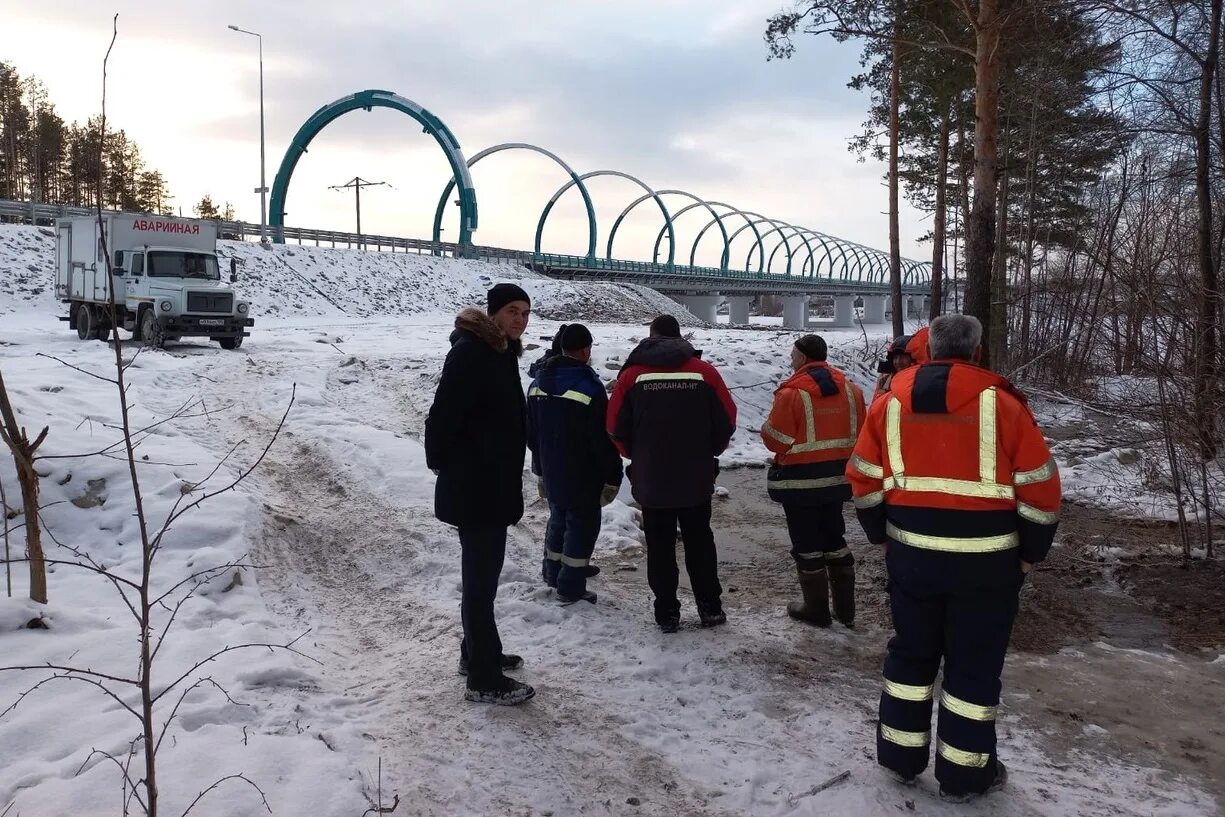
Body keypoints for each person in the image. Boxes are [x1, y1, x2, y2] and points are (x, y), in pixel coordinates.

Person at [846, 314, 1061, 801]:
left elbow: (862, 476)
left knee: (911, 653)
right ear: (977, 352)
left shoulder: (890, 401)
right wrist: (1031, 554)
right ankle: (964, 777)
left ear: (929, 349)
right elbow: (1041, 489)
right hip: (988, 566)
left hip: (912, 558)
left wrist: (882, 535)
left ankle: (901, 759)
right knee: (973, 666)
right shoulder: (1003, 404)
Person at [425, 283, 535, 706]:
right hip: (477, 486)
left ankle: (476, 654)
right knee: (480, 582)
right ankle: (484, 678)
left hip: (491, 481)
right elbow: (443, 414)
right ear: (492, 313)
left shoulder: (500, 352)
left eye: (525, 312)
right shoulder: (473, 352)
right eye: (512, 311)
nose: (520, 319)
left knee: (482, 578)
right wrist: (443, 463)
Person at [607, 314, 737, 632]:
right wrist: (710, 452)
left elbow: (613, 427)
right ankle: (710, 607)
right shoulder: (704, 372)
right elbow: (728, 418)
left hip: (652, 478)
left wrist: (635, 454)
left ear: (651, 337)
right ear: (680, 338)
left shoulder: (631, 376)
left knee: (660, 546)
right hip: (696, 476)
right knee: (700, 542)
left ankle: (666, 613)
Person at [760, 334, 866, 627]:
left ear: (803, 358)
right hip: (838, 481)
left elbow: (777, 441)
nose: (790, 360)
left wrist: (766, 429)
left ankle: (815, 610)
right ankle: (845, 611)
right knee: (835, 538)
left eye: (793, 355)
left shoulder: (792, 394)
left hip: (800, 484)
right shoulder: (852, 390)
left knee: (806, 543)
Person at [527, 323, 623, 604]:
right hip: (583, 472)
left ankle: (553, 571)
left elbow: (531, 431)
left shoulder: (537, 383)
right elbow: (601, 438)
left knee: (558, 519)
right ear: (585, 350)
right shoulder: (589, 386)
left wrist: (542, 465)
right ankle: (570, 585)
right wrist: (612, 475)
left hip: (550, 467)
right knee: (581, 526)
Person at [872, 327, 929, 402]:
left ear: (913, 359)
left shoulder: (920, 380)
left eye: (902, 357)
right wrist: (882, 390)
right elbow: (876, 405)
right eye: (895, 358)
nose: (898, 361)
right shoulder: (886, 380)